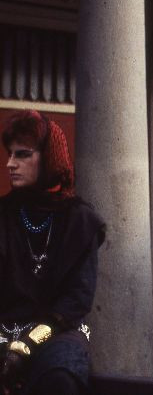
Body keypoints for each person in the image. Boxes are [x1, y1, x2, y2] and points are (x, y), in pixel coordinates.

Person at [0, 110, 105, 395]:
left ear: (47, 158)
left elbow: (76, 300)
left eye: (22, 155)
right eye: (10, 154)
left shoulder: (80, 220)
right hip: (3, 329)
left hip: (59, 333)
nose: (10, 164)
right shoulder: (4, 214)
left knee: (61, 377)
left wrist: (27, 344)